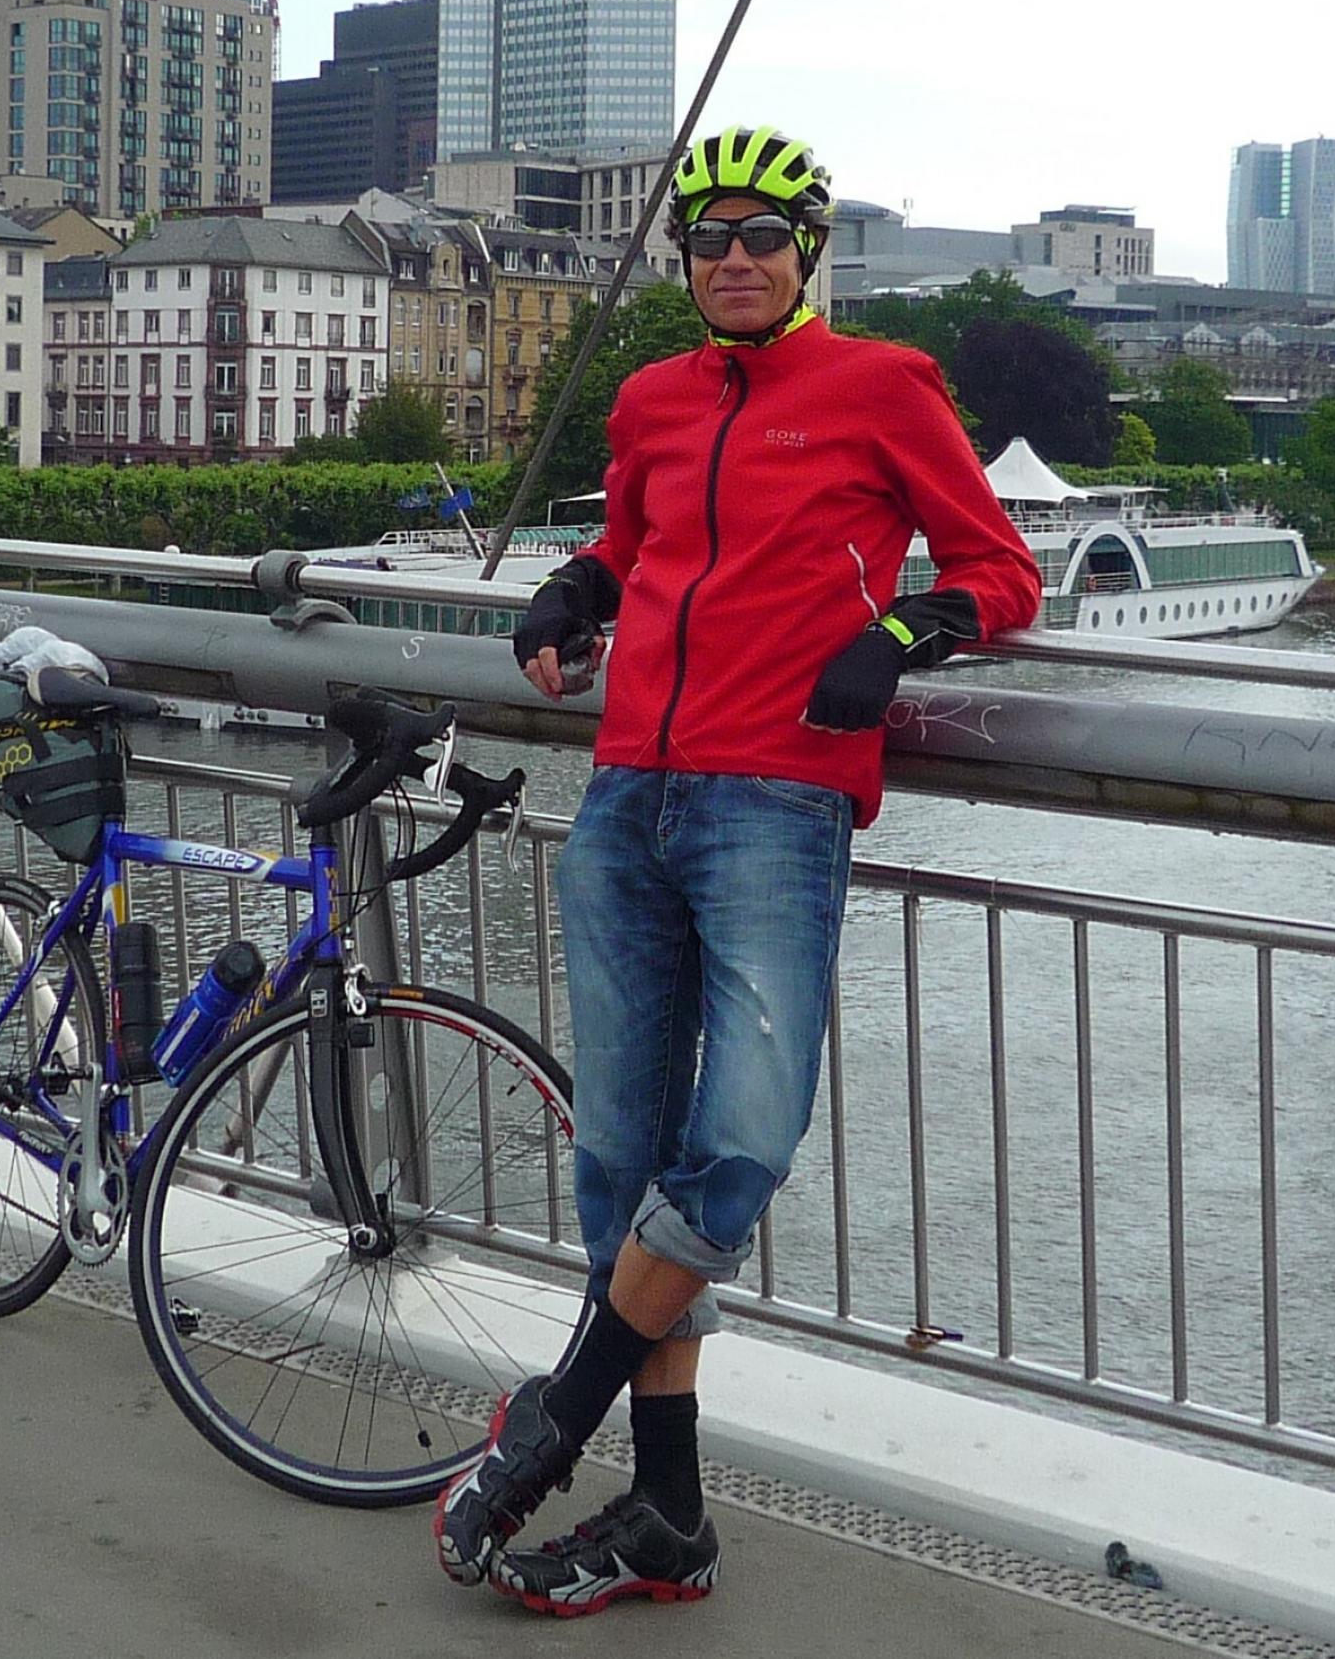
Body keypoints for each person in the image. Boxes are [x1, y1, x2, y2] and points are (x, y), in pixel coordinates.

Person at [435, 123, 1041, 1617]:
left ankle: (557, 1416)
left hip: (776, 803)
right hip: (631, 793)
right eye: (712, 236)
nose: (738, 257)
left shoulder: (884, 385)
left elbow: (999, 569)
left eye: (766, 235)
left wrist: (897, 637)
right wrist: (573, 590)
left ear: (810, 250)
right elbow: (634, 543)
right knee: (618, 1160)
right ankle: (670, 1512)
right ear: (687, 255)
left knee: (745, 1141)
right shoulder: (650, 397)